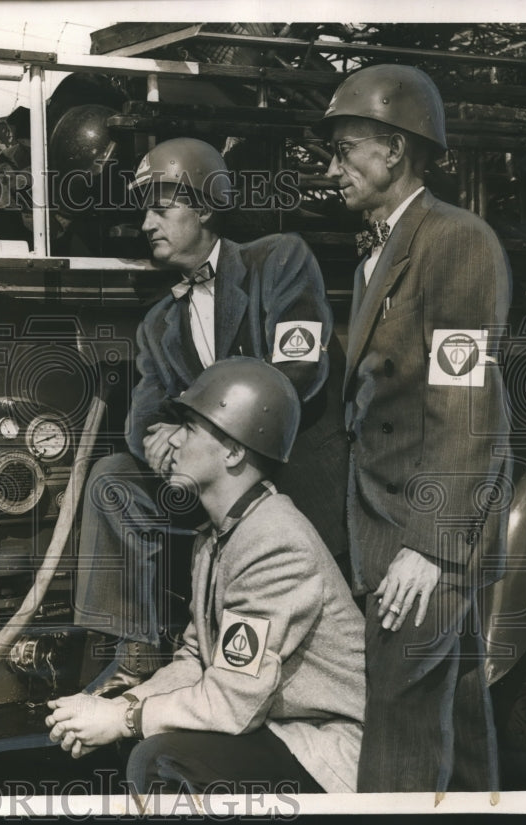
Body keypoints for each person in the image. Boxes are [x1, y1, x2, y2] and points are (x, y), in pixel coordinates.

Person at [72, 137, 347, 696]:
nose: (147, 223)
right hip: (212, 487)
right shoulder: (157, 322)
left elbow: (299, 373)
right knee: (112, 480)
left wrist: (205, 434)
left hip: (290, 477)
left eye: (162, 206)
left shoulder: (279, 259)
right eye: (143, 209)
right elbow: (144, 415)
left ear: (206, 207)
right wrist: (162, 438)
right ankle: (137, 652)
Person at [316, 64, 512, 792]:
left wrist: (427, 549)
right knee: (454, 740)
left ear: (395, 150)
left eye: (346, 150)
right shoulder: (380, 252)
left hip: (425, 541)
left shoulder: (456, 242)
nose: (334, 169)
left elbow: (467, 411)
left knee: (396, 742)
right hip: (390, 534)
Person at [47, 358, 365, 794]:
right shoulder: (222, 535)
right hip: (271, 722)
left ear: (234, 451)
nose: (172, 440)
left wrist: (121, 721)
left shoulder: (274, 542)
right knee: (140, 742)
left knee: (161, 759)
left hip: (322, 744)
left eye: (191, 429)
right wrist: (121, 705)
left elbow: (231, 701)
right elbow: (197, 661)